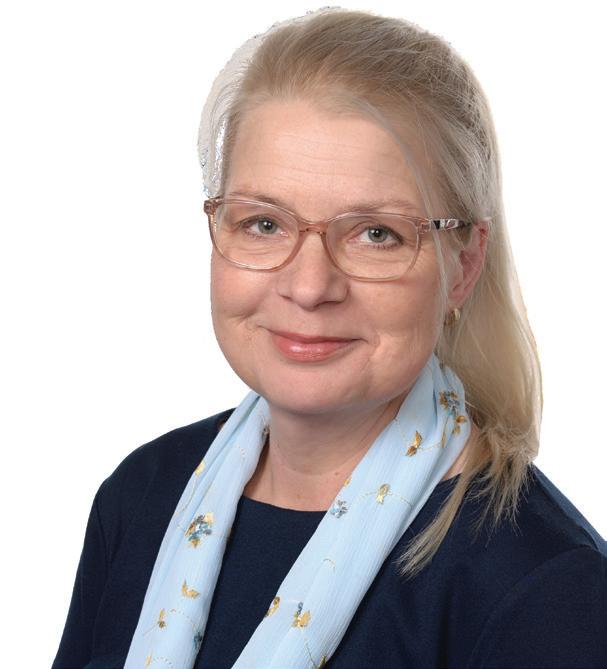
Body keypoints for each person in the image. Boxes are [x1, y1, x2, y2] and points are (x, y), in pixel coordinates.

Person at [53, 8, 607, 669]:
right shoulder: (142, 496)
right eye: (263, 223)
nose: (309, 286)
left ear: (462, 265)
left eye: (375, 233)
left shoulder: (544, 586)